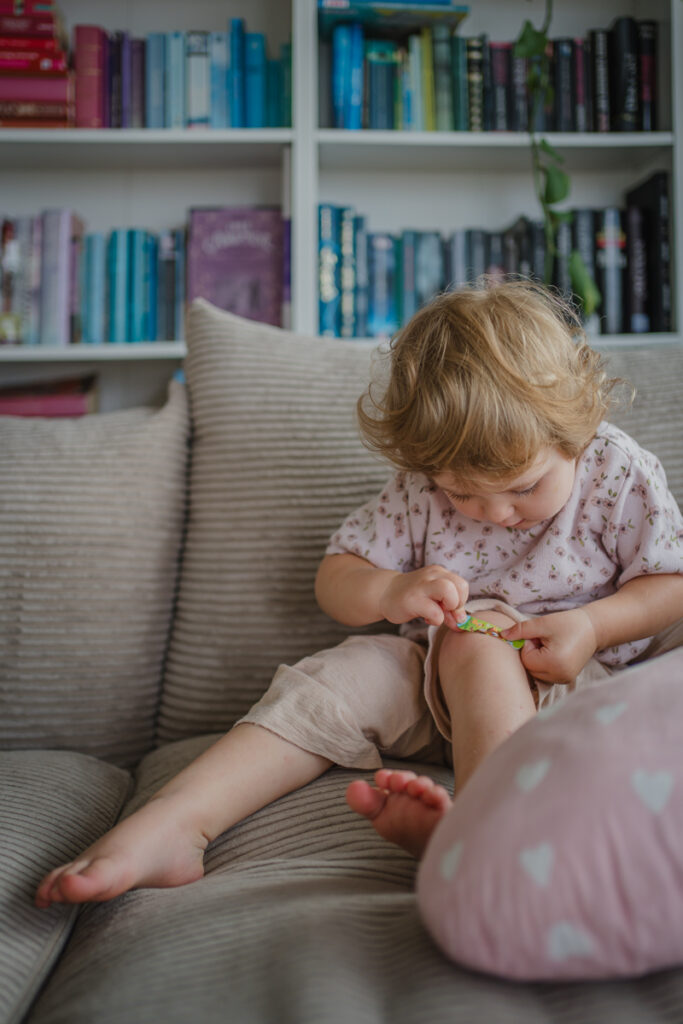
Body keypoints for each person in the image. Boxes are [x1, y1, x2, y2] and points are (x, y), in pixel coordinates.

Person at [35, 280, 683, 909]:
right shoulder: (416, 488)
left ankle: (489, 839)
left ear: (578, 427)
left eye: (522, 488)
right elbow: (336, 579)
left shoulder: (614, 471)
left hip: (577, 681)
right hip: (429, 687)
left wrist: (593, 627)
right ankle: (176, 824)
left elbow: (671, 583)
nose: (492, 513)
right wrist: (390, 590)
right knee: (331, 678)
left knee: (475, 644)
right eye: (461, 493)